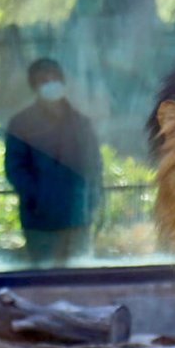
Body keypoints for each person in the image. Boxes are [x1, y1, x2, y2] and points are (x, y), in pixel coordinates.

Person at [5, 58, 103, 267]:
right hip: (40, 223)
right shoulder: (21, 124)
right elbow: (15, 169)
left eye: (55, 78)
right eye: (44, 80)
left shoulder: (80, 123)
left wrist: (92, 202)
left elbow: (94, 166)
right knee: (44, 278)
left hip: (77, 218)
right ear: (34, 86)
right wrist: (39, 198)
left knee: (78, 277)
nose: (51, 83)